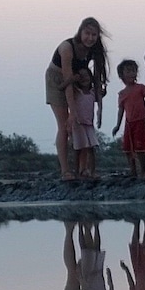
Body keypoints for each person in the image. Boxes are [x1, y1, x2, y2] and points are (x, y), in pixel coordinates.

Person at [45, 18, 109, 180]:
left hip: (79, 78)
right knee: (65, 124)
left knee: (82, 124)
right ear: (80, 32)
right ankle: (65, 170)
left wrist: (99, 108)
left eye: (94, 34)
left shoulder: (94, 49)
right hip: (58, 80)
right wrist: (72, 113)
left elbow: (98, 77)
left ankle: (83, 169)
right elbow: (67, 83)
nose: (90, 38)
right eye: (87, 33)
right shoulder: (67, 48)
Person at [112, 59, 145, 178]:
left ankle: (143, 171)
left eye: (133, 71)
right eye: (128, 71)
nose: (131, 74)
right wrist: (117, 125)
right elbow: (121, 110)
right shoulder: (122, 93)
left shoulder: (140, 88)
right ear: (121, 75)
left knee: (140, 148)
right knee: (128, 148)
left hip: (140, 120)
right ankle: (133, 170)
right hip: (128, 123)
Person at [66, 67, 101, 179]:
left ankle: (92, 171)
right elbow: (62, 88)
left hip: (89, 123)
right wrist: (71, 79)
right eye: (80, 76)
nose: (84, 78)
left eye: (86, 75)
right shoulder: (75, 92)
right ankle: (77, 172)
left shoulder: (92, 93)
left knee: (91, 148)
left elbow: (100, 96)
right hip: (78, 123)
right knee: (78, 149)